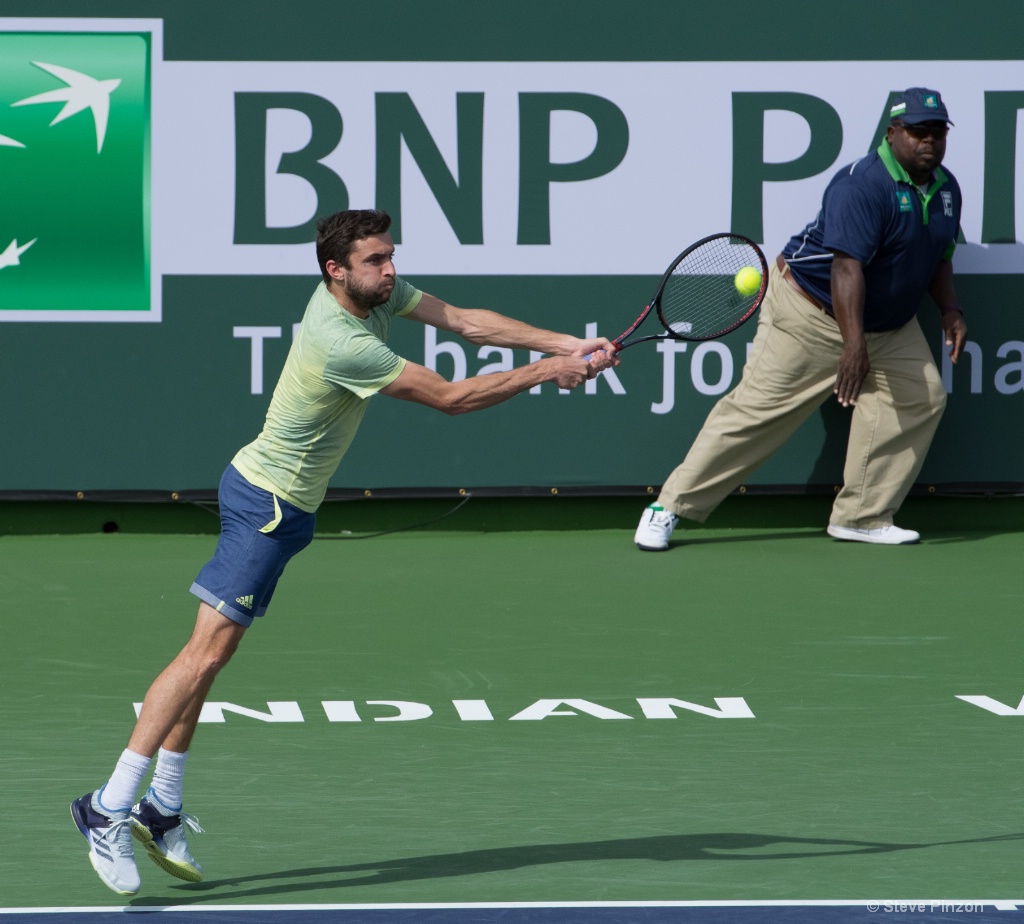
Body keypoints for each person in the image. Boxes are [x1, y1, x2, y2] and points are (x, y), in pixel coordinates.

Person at [70, 208, 619, 896]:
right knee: (203, 653)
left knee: (216, 654)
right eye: (375, 261)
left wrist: (568, 344)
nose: (390, 270)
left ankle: (163, 803)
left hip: (288, 507)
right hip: (265, 505)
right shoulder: (342, 340)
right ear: (337, 271)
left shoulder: (369, 294)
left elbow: (468, 323)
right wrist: (549, 371)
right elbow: (451, 397)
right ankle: (109, 805)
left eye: (391, 257)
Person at [634, 87, 967, 551]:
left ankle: (861, 516)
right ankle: (667, 507)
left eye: (937, 132)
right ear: (892, 134)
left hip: (890, 326)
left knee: (921, 397)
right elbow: (845, 267)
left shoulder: (946, 189)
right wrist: (854, 347)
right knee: (756, 413)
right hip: (810, 312)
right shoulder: (862, 185)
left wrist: (949, 309)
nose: (928, 140)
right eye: (916, 131)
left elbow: (938, 257)